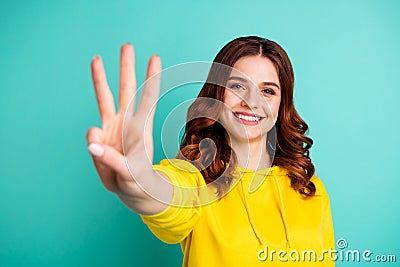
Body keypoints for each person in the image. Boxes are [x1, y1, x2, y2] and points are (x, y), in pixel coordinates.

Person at [86, 36, 335, 266]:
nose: (251, 101)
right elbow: (165, 194)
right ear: (216, 95)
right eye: (237, 86)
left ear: (282, 105)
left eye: (268, 91)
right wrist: (140, 182)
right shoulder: (196, 180)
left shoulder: (311, 188)